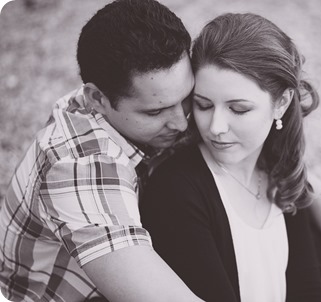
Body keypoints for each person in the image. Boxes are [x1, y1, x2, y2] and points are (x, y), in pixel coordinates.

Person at [141, 12, 321, 302]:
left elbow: (308, 290)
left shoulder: (279, 174)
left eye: (238, 109)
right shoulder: (176, 189)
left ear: (281, 103)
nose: (215, 128)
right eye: (203, 105)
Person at [0, 0, 203, 301]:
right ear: (97, 98)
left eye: (186, 98)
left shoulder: (121, 96)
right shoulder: (77, 164)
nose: (181, 123)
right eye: (155, 112)